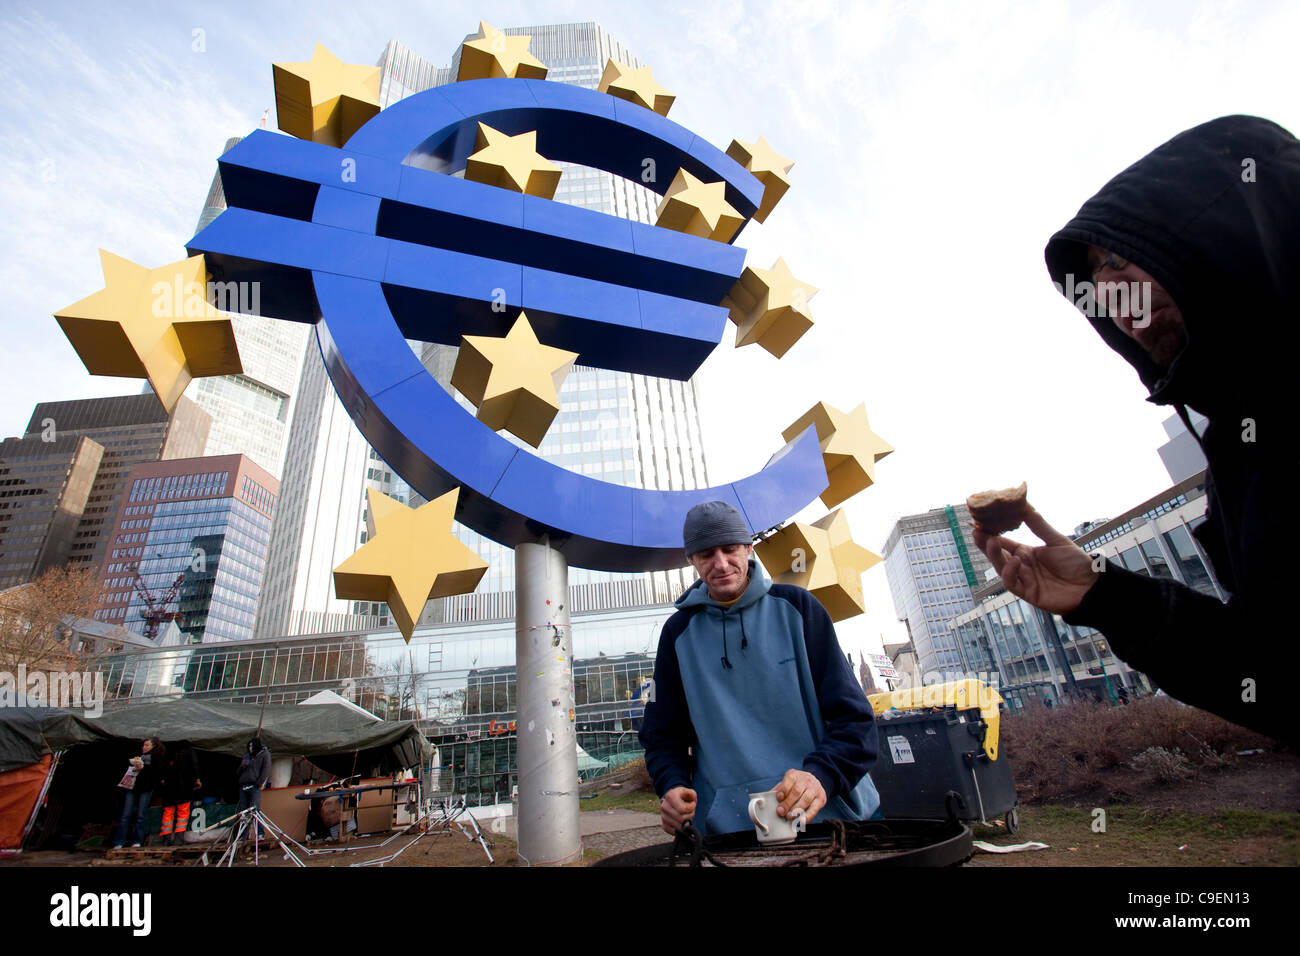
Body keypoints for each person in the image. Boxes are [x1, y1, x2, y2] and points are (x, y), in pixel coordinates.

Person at [974, 115, 1297, 745]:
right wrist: (1103, 596)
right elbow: (1274, 675)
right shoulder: (1236, 445)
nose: (1112, 299)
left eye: (1122, 260)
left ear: (1231, 229)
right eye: (1095, 285)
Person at [638, 500, 881, 837]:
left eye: (729, 549)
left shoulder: (798, 608)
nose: (721, 564)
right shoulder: (677, 635)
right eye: (707, 554)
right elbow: (662, 737)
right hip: (729, 829)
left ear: (748, 549)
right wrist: (672, 785)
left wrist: (822, 775)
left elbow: (856, 722)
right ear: (692, 560)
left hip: (830, 818)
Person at [112, 737, 164, 849]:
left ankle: (137, 841)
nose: (144, 747)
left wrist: (144, 769)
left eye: (147, 745)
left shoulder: (156, 758)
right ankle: (119, 841)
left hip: (146, 789)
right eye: (144, 745)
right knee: (126, 814)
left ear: (153, 746)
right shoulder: (138, 756)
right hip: (132, 788)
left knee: (141, 815)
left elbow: (157, 774)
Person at [159, 740, 202, 846]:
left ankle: (166, 838)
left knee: (168, 812)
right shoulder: (189, 752)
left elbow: (162, 770)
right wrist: (197, 779)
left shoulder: (167, 752)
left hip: (169, 788)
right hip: (184, 787)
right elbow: (194, 766)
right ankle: (179, 838)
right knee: (183, 812)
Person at [236, 736, 271, 837]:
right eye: (249, 746)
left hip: (254, 785)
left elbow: (266, 770)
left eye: (252, 746)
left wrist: (259, 783)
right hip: (243, 785)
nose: (250, 748)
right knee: (244, 811)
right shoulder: (247, 756)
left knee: (255, 810)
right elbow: (238, 772)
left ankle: (260, 833)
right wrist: (242, 766)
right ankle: (243, 835)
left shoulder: (264, 755)